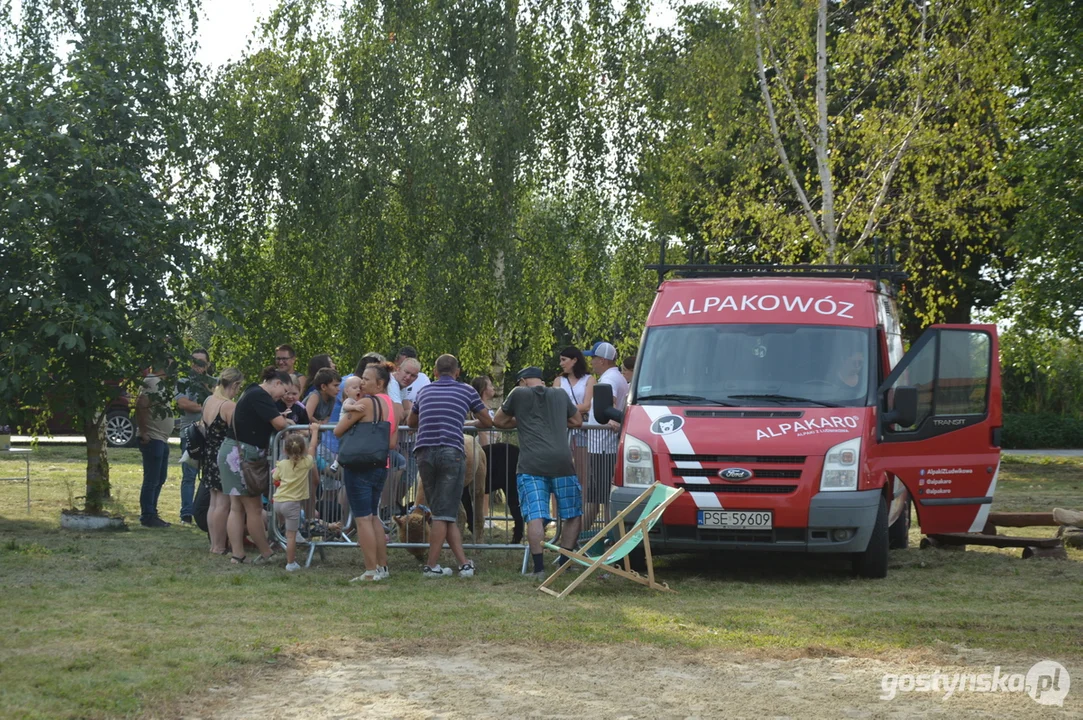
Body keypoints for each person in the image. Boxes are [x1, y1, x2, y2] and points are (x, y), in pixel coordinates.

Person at [492, 366, 583, 578]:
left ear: (523, 381)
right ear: (541, 380)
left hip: (531, 464)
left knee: (535, 515)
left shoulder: (519, 394)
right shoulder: (560, 394)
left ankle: (539, 568)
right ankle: (565, 562)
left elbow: (498, 420)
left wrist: (521, 420)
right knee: (572, 513)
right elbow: (577, 421)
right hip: (562, 462)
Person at [407, 354, 492, 578]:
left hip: (424, 452)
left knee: (445, 512)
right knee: (443, 514)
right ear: (457, 372)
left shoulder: (423, 391)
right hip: (452, 452)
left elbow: (410, 422)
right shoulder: (467, 391)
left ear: (434, 372)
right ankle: (432, 565)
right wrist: (466, 421)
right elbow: (488, 421)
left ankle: (464, 563)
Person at [218, 367, 293, 564]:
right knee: (253, 508)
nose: (283, 397)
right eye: (284, 391)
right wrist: (288, 421)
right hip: (243, 456)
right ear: (276, 382)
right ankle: (266, 553)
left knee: (236, 507)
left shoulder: (251, 391)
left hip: (232, 452)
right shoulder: (261, 395)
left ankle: (238, 554)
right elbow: (278, 424)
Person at [334, 361, 398, 582]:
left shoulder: (366, 404)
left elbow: (338, 429)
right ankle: (382, 567)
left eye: (367, 379)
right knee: (373, 518)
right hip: (380, 465)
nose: (362, 383)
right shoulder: (392, 405)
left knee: (362, 519)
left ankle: (370, 570)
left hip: (359, 466)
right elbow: (391, 442)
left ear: (379, 383)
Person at [584, 341, 629, 526]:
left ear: (602, 360)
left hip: (603, 446)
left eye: (593, 358)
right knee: (597, 497)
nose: (591, 362)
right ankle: (582, 537)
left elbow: (607, 407)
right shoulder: (616, 376)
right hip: (604, 445)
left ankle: (608, 540)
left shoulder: (609, 379)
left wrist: (611, 420)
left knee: (602, 498)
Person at [201, 367, 244, 555]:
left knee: (213, 502)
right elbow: (238, 431)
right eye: (239, 387)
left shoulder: (209, 401)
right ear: (234, 385)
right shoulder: (228, 406)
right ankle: (219, 545)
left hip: (209, 452)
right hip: (223, 455)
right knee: (224, 503)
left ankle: (214, 544)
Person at [273, 423, 320, 572]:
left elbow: (275, 478)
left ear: (284, 450)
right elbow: (312, 448)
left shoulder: (281, 464)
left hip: (278, 502)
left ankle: (283, 540)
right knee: (291, 535)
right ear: (304, 449)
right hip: (292, 504)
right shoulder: (306, 463)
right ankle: (290, 563)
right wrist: (315, 431)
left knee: (286, 529)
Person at [174, 349, 214, 524]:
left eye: (202, 363)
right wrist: (206, 406)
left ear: (208, 365)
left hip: (211, 435)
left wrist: (207, 388)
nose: (198, 366)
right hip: (190, 434)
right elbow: (183, 404)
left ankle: (206, 512)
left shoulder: (214, 383)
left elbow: (221, 401)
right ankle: (186, 514)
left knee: (210, 475)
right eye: (195, 362)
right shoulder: (183, 382)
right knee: (189, 475)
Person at [136, 367, 176, 528]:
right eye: (172, 364)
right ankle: (147, 515)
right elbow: (140, 405)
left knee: (160, 478)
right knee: (151, 479)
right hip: (152, 437)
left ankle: (152, 511)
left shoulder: (161, 383)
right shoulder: (151, 381)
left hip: (161, 438)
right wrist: (144, 431)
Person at [553, 346, 593, 503]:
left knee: (582, 472)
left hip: (582, 430)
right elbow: (554, 403)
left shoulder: (589, 380)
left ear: (575, 360)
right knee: (558, 471)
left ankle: (580, 509)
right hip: (562, 430)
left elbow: (587, 405)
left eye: (564, 360)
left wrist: (565, 408)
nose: (561, 364)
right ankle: (557, 515)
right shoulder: (559, 380)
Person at [467, 375, 497, 529]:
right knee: (483, 486)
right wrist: (488, 450)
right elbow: (483, 431)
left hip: (491, 445)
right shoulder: (479, 409)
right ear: (484, 390)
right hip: (484, 448)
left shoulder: (488, 408)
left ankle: (485, 516)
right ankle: (482, 517)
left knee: (486, 486)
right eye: (490, 385)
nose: (493, 388)